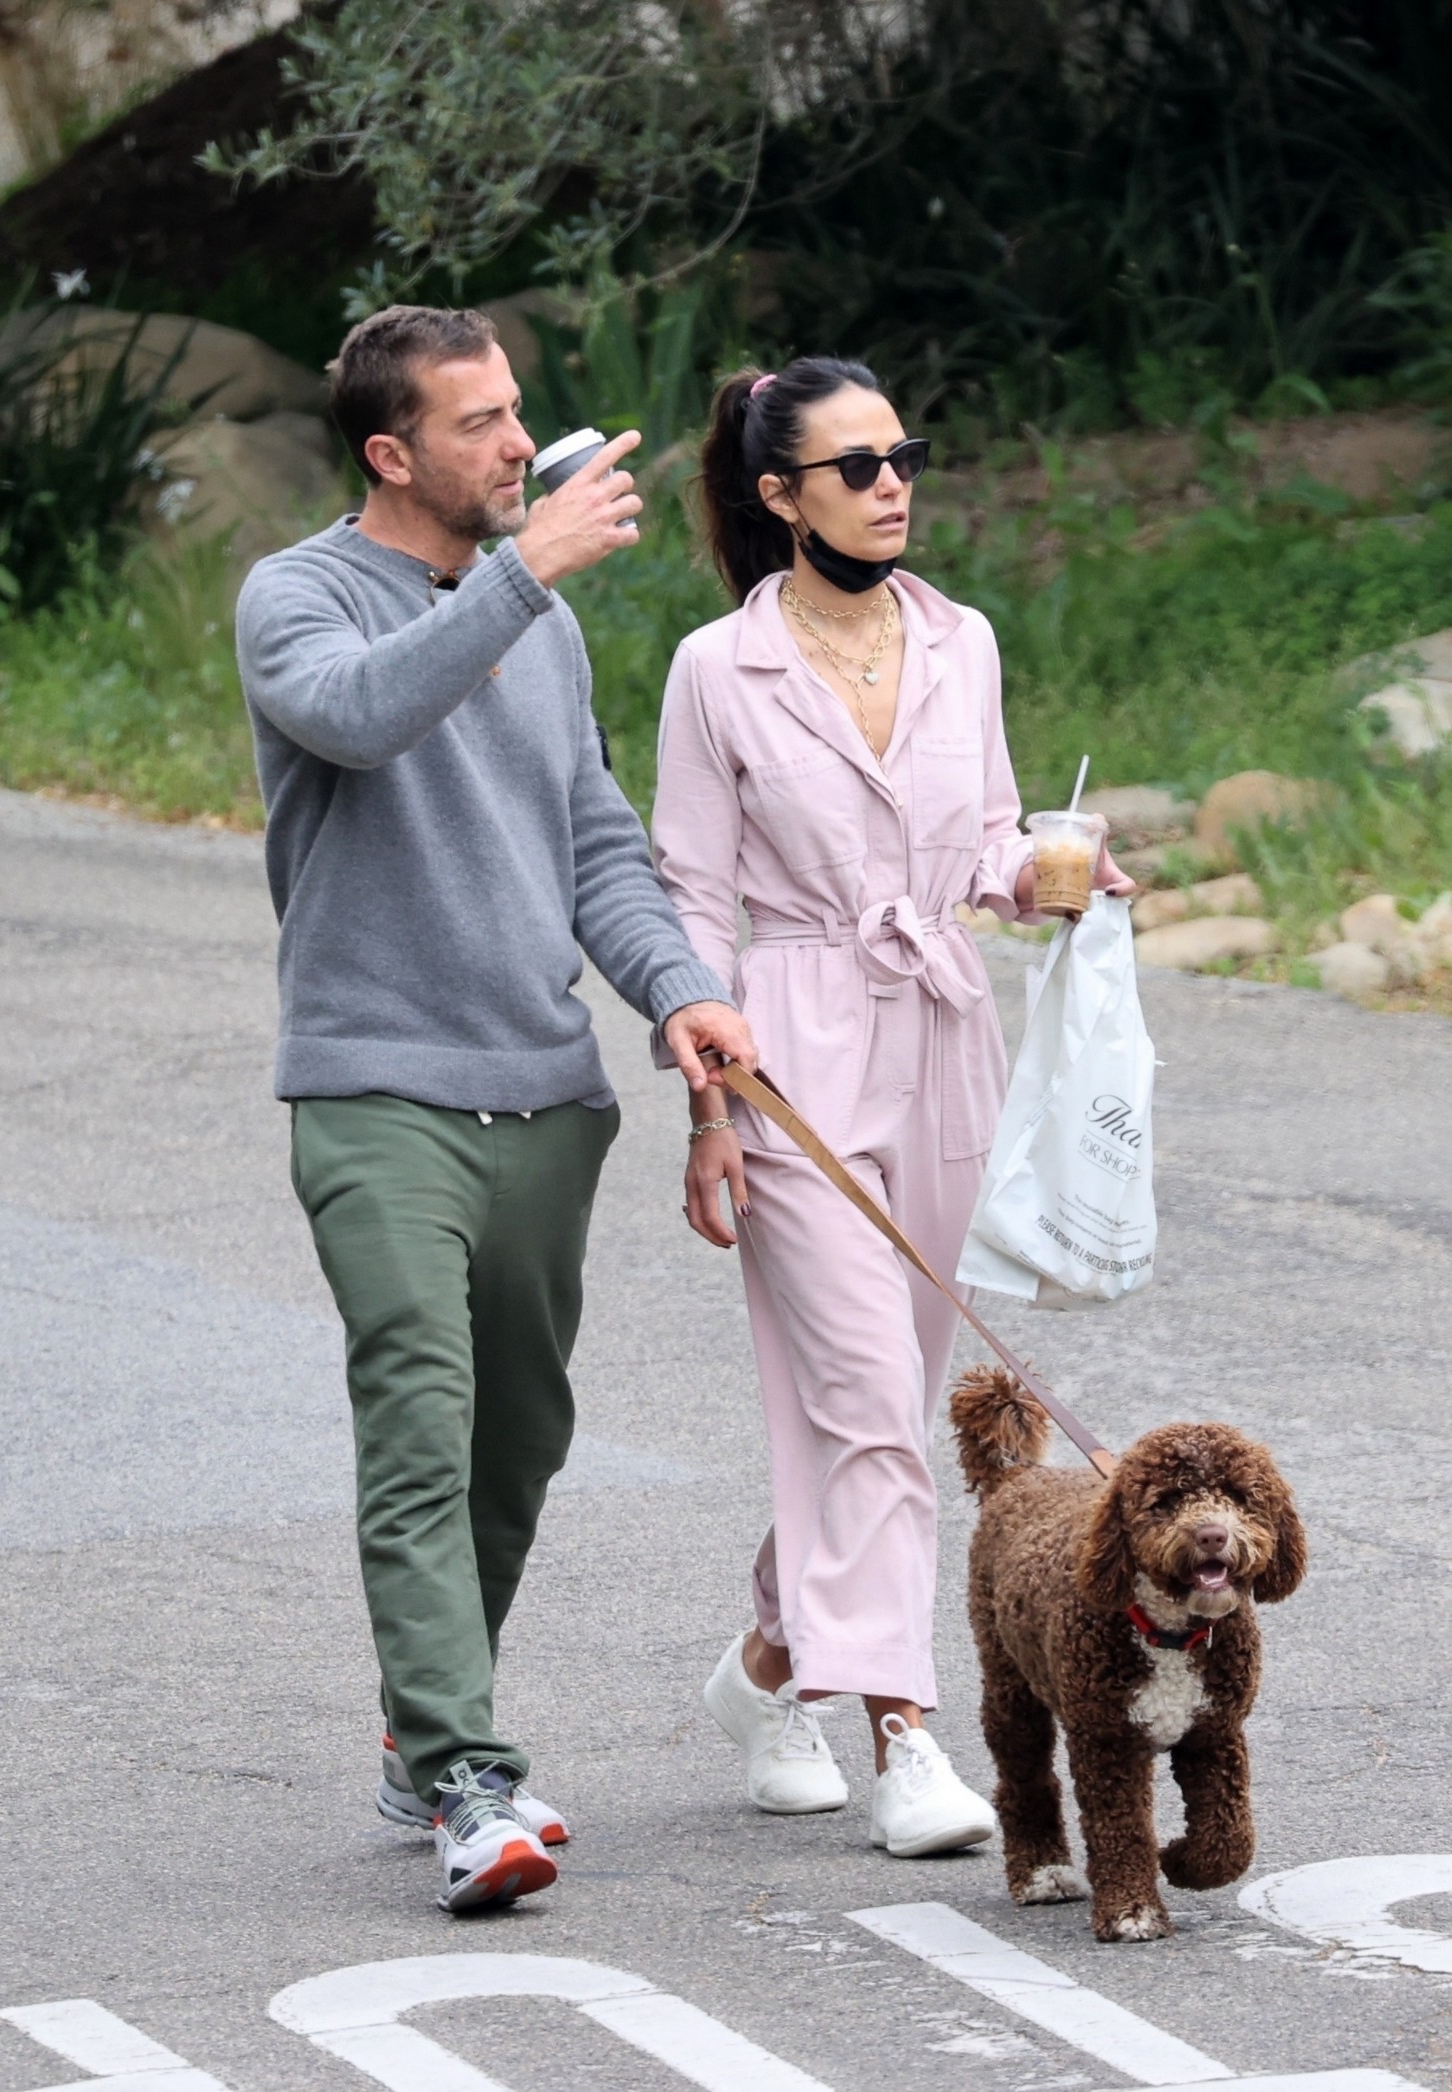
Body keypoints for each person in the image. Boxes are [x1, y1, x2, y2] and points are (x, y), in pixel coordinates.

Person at [235, 305, 754, 1913]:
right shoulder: (298, 595)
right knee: (418, 1420)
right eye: (479, 423)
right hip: (374, 1092)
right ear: (391, 454)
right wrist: (524, 575)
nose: (522, 444)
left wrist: (676, 992)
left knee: (517, 1443)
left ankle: (418, 1736)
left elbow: (592, 838)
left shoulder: (545, 618)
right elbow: (359, 712)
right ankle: (468, 1775)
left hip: (544, 1099)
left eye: (517, 411)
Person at [650, 357, 1130, 1856]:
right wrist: (708, 1111)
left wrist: (1052, 874)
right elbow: (690, 895)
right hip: (786, 1045)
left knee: (880, 1413)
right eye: (855, 466)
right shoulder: (715, 670)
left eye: (903, 455)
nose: (893, 484)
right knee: (865, 1404)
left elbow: (985, 837)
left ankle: (766, 1669)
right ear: (780, 495)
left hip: (940, 1030)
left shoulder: (962, 639)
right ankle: (906, 1737)